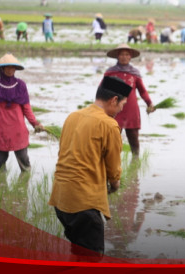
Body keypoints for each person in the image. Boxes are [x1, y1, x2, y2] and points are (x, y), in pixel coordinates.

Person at [48, 76, 132, 256]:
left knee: (78, 251)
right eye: (122, 105)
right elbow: (114, 169)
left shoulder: (73, 116)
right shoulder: (109, 124)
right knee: (92, 258)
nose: (120, 110)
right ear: (114, 100)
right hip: (83, 203)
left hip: (61, 198)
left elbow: (64, 152)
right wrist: (115, 185)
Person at [0, 53, 44, 173]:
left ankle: (23, 188)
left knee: (25, 164)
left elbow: (26, 108)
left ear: (16, 69)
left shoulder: (21, 86)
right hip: (0, 131)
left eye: (13, 67)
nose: (10, 70)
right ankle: (1, 190)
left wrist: (35, 123)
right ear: (2, 68)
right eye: (7, 67)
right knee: (0, 166)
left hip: (17, 130)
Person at [104, 44, 156, 156]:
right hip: (114, 111)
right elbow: (102, 91)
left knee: (134, 140)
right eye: (121, 54)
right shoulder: (110, 73)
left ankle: (135, 163)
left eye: (127, 54)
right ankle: (112, 164)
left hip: (131, 110)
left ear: (130, 57)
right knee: (112, 140)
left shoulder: (134, 73)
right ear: (117, 56)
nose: (124, 56)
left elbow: (142, 91)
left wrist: (149, 103)